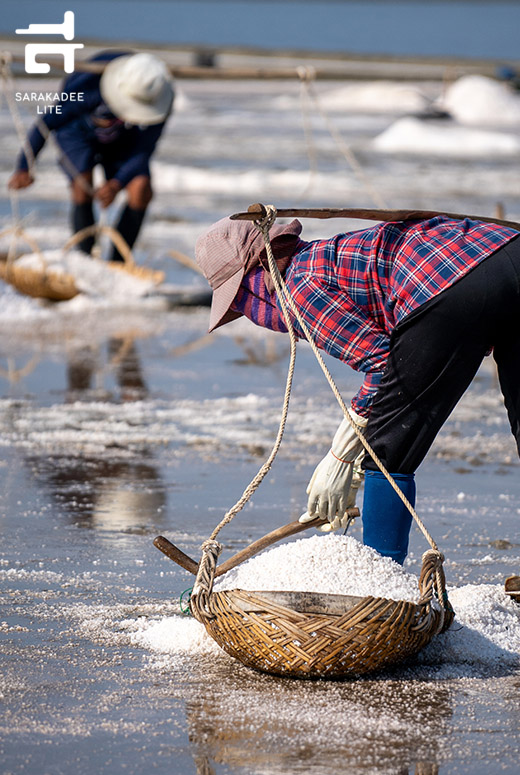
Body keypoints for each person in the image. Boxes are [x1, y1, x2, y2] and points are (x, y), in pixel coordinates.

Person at [195, 213, 520, 564]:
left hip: (448, 281)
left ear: (256, 278)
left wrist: (342, 454)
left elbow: (385, 365)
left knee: (388, 445)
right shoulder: (327, 256)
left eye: (244, 301)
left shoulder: (301, 288)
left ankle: (380, 579)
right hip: (505, 250)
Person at [8, 51, 174, 260]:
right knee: (82, 184)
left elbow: (144, 150)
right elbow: (46, 124)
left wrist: (117, 183)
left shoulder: (159, 94)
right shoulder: (87, 86)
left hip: (124, 138)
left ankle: (118, 263)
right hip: (77, 133)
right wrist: (24, 166)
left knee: (141, 188)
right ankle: (84, 259)